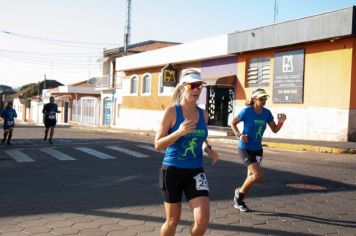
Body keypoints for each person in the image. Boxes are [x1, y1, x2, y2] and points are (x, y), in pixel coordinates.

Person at [155, 68, 219, 236]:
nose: (197, 89)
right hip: (172, 171)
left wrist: (208, 149)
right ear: (182, 88)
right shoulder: (171, 112)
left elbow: (201, 138)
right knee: (172, 221)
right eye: (193, 85)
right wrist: (178, 133)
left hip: (196, 171)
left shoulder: (203, 114)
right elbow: (158, 144)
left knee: (202, 220)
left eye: (199, 86)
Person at [230, 88, 287, 212]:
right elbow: (233, 123)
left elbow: (275, 129)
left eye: (265, 98)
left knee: (251, 176)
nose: (263, 101)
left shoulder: (267, 113)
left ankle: (239, 201)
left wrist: (280, 122)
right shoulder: (247, 111)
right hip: (245, 147)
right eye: (261, 98)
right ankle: (238, 195)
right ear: (254, 99)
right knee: (257, 175)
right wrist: (239, 135)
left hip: (258, 149)